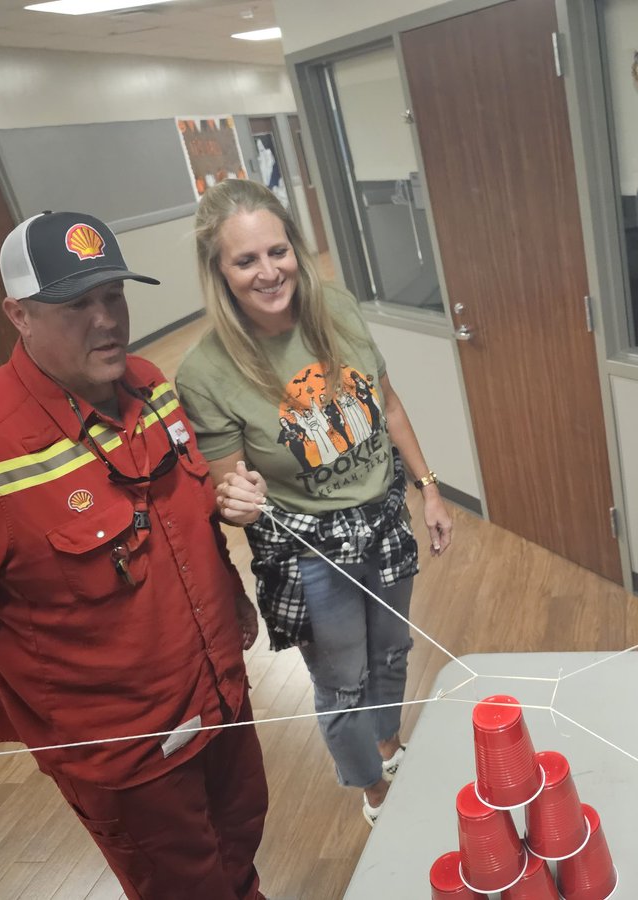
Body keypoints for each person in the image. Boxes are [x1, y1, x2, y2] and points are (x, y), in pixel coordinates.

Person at [0, 211, 268, 899]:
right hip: (131, 756)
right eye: (75, 305)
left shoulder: (150, 385)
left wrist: (235, 593)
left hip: (220, 695)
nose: (106, 322)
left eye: (112, 297)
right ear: (19, 315)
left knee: (241, 851)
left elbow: (186, 518)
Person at [175, 178, 453, 828]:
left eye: (278, 251)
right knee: (343, 683)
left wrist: (429, 487)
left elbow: (388, 405)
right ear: (219, 271)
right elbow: (230, 488)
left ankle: (390, 748)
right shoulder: (206, 371)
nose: (269, 272)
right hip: (308, 553)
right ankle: (375, 790)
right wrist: (234, 502)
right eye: (246, 260)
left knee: (391, 653)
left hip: (383, 520)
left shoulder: (337, 307)